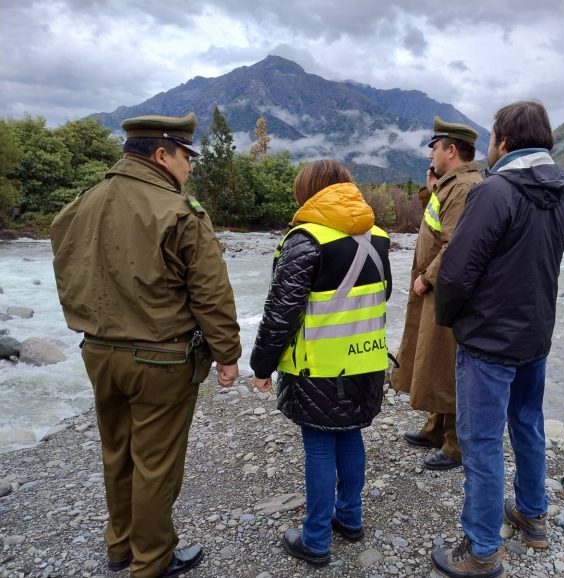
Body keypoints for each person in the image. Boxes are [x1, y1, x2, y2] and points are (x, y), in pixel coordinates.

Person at [50, 113, 241, 578]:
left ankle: (119, 547)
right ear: (162, 154)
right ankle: (151, 561)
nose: (189, 167)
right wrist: (227, 354)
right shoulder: (179, 210)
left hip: (96, 351)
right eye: (185, 157)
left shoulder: (80, 204)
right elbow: (211, 292)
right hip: (161, 357)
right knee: (155, 465)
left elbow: (66, 270)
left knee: (116, 453)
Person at [431, 101, 564, 578]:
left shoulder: (496, 191)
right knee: (528, 424)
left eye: (492, 137)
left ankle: (481, 549)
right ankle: (533, 516)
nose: (489, 146)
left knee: (482, 441)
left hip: (489, 341)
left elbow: (456, 273)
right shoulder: (561, 192)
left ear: (505, 142)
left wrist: (451, 320)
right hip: (535, 335)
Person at [249, 160, 391, 566]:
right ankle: (350, 519)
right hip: (365, 362)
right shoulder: (378, 237)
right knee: (350, 435)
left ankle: (314, 540)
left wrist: (262, 366)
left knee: (318, 445)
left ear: (307, 190)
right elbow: (382, 294)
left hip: (318, 367)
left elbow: (281, 312)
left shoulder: (305, 239)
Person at [391, 116, 482, 471]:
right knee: (431, 357)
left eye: (435, 148)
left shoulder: (465, 187)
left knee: (446, 362)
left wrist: (428, 278)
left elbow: (455, 244)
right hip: (435, 288)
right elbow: (436, 222)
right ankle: (434, 428)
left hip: (445, 289)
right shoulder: (451, 184)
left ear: (452, 150)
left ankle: (455, 445)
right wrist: (431, 189)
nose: (431, 154)